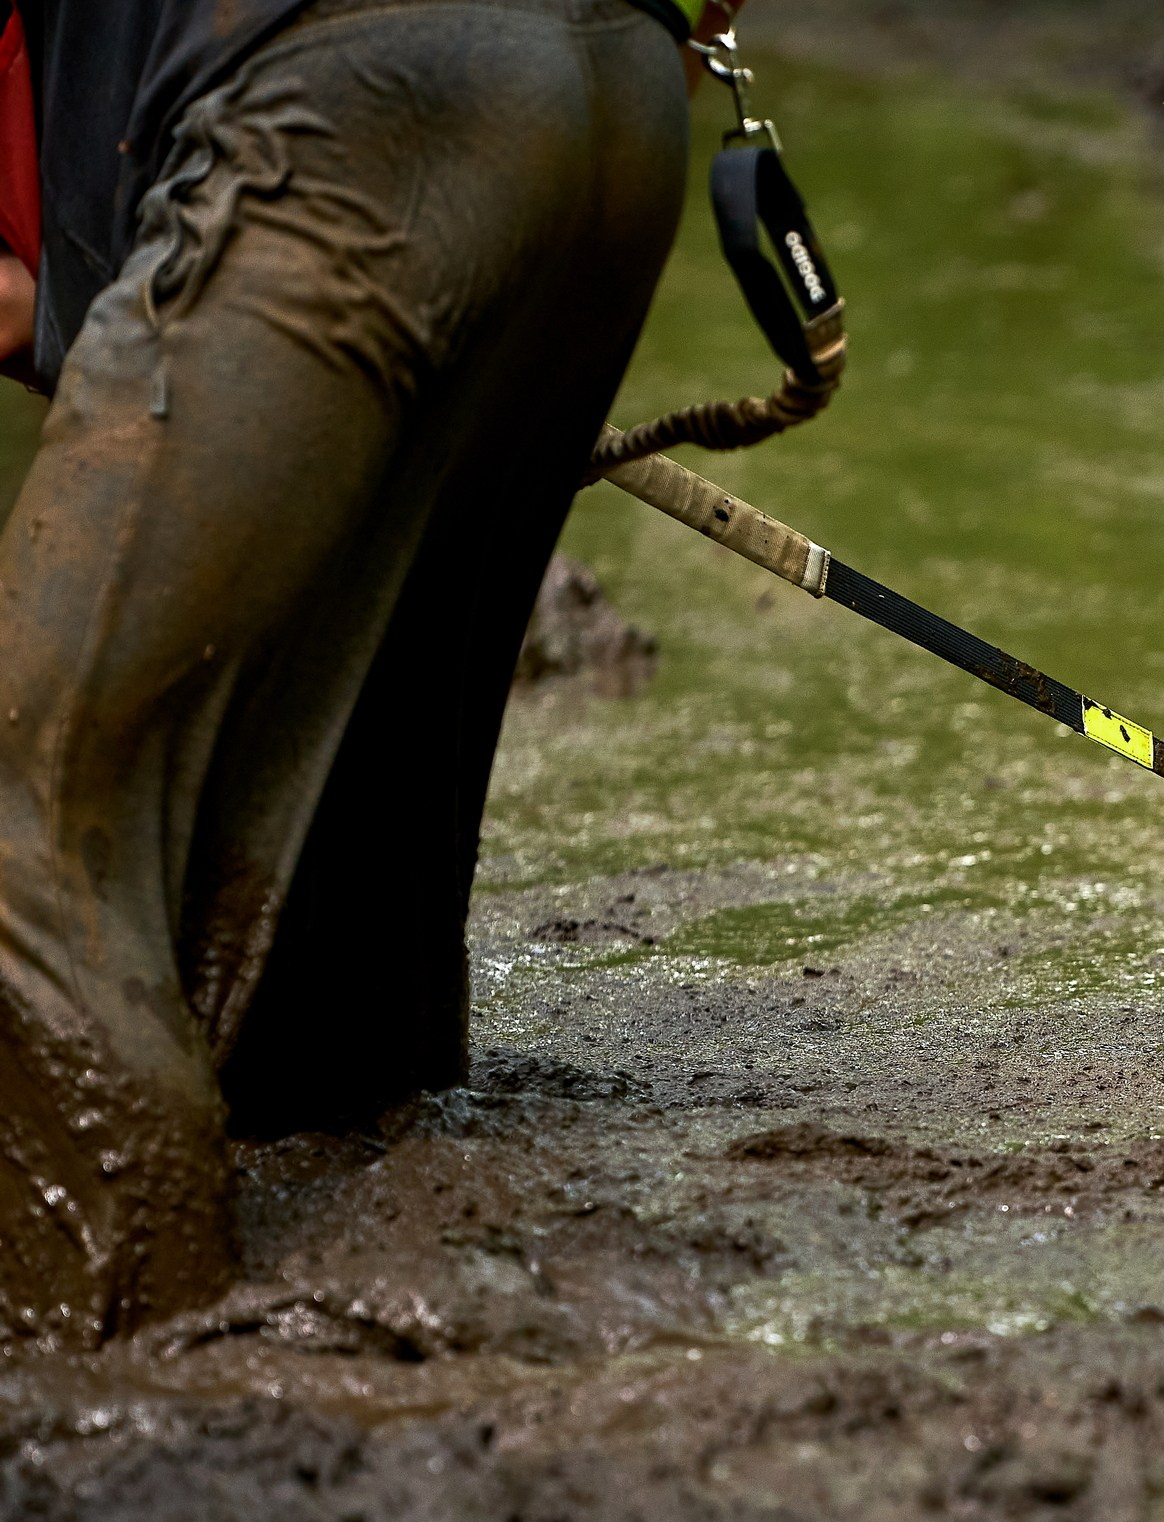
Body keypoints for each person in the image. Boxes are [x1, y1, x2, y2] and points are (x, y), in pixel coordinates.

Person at [0, 0, 742, 1346]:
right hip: (608, 93)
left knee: (24, 847)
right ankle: (409, 1394)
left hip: (348, 100)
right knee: (321, 1000)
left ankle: (112, 1443)